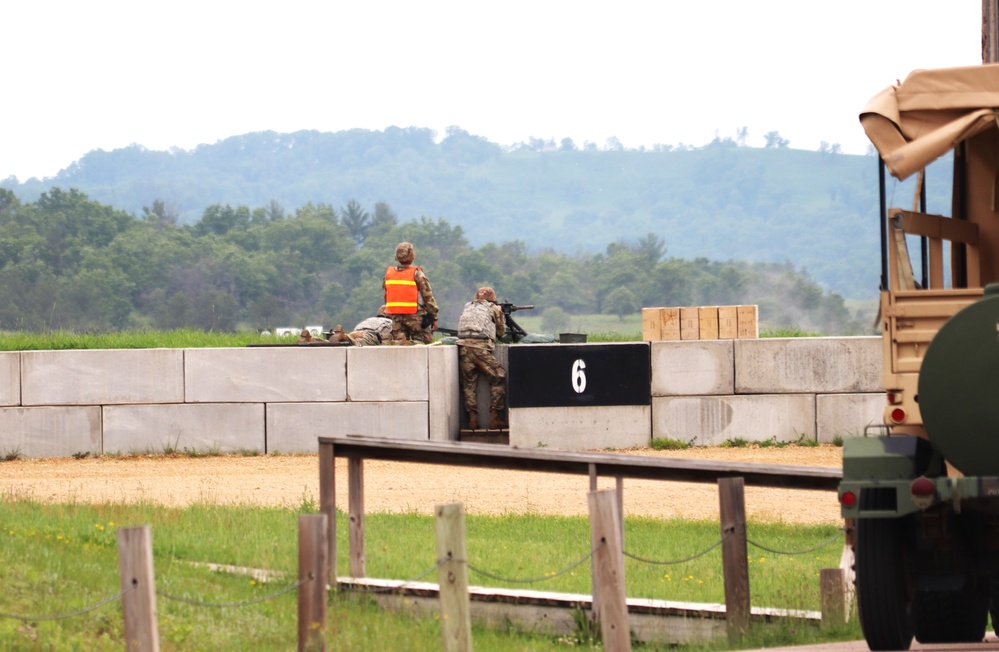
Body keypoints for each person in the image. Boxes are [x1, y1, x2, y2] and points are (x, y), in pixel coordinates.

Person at [456, 286, 507, 430]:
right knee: (499, 376)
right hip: (481, 349)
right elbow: (501, 332)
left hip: (463, 349)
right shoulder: (493, 308)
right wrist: (501, 314)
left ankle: (472, 420)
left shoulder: (468, 307)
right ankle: (494, 419)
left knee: (468, 384)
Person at [383, 241, 438, 344]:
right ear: (411, 255)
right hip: (416, 318)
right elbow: (428, 297)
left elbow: (386, 296)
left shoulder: (389, 274)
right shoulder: (417, 274)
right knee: (424, 345)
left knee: (399, 347)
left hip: (396, 319)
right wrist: (434, 317)